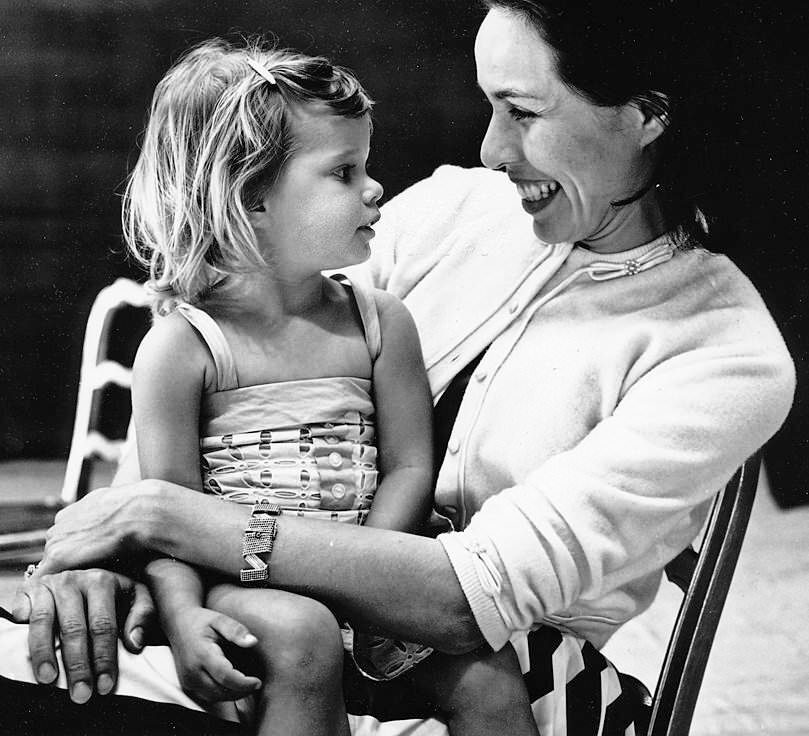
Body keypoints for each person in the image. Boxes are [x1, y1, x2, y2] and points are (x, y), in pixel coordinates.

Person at [0, 0, 795, 736]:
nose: (491, 151)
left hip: (502, 673)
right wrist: (110, 548)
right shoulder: (453, 210)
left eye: (522, 112)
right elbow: (214, 389)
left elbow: (468, 599)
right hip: (284, 622)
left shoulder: (724, 355)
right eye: (490, 106)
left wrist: (168, 520)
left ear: (646, 114)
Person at [60, 37, 543, 736]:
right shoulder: (184, 346)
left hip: (374, 566)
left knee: (485, 671)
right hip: (246, 585)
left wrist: (368, 574)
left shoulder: (379, 323)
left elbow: (410, 463)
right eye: (344, 172)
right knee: (302, 634)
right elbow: (170, 512)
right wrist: (185, 615)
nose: (375, 188)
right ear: (252, 199)